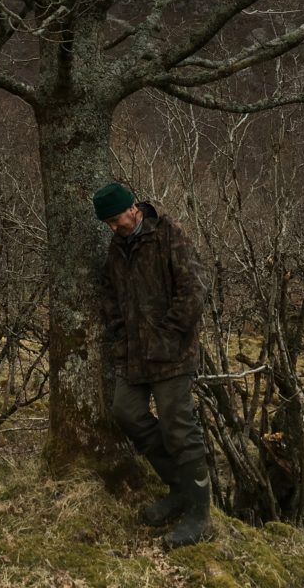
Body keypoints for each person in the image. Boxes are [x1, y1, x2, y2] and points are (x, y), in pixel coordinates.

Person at [94, 181, 214, 548]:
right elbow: (111, 294)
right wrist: (119, 333)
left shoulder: (168, 233)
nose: (114, 228)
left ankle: (199, 515)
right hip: (135, 354)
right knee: (126, 412)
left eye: (117, 220)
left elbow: (195, 287)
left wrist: (170, 333)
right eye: (109, 224)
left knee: (179, 426)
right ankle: (178, 487)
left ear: (134, 208)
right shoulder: (118, 248)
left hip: (172, 352)